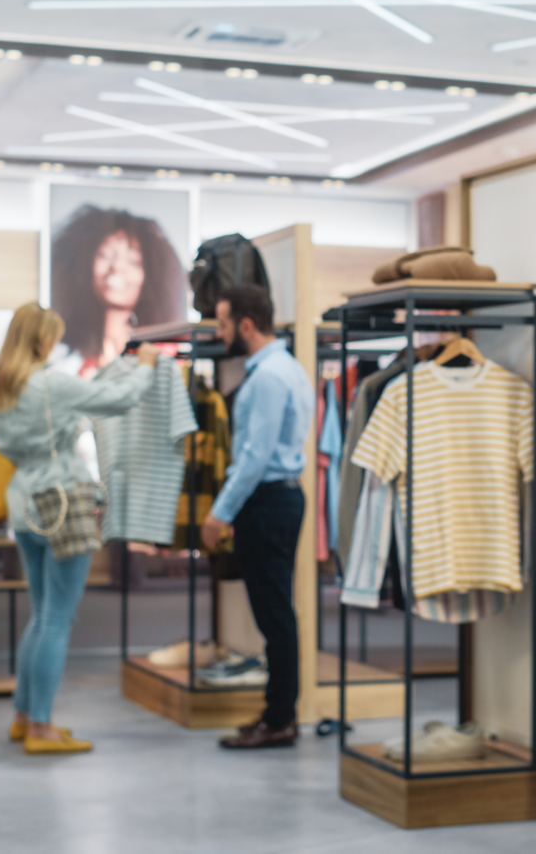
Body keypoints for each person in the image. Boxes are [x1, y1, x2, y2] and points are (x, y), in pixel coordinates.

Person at [0, 302, 158, 754]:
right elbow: (120, 401)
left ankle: (25, 717)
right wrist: (145, 367)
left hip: (23, 500)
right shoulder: (49, 384)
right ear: (41, 338)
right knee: (57, 618)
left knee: (41, 615)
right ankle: (42, 726)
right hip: (61, 499)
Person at [201, 285, 314, 749]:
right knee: (276, 613)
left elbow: (253, 455)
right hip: (278, 498)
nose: (219, 331)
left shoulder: (267, 377)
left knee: (274, 616)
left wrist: (219, 513)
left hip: (266, 501)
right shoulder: (288, 369)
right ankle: (277, 713)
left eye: (224, 323)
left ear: (247, 325)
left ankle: (281, 719)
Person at [50, 205, 187, 377]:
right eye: (105, 255)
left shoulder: (162, 350)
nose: (116, 267)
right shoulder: (67, 355)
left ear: (149, 275)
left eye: (132, 261)